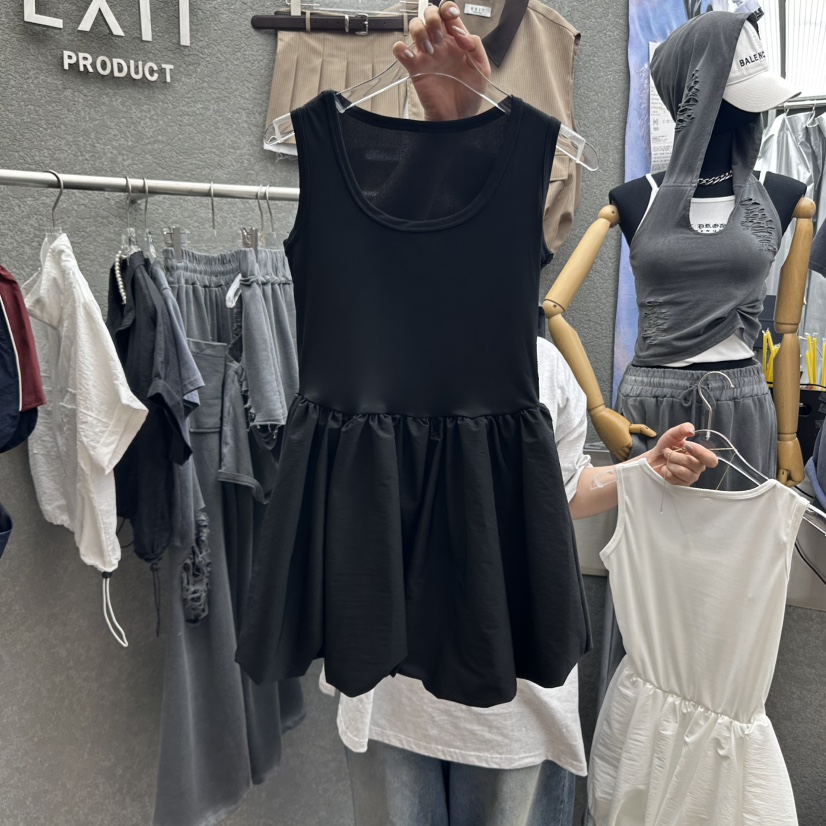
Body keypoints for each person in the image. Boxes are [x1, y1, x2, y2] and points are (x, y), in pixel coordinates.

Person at [318, 5, 719, 824]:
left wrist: (644, 471)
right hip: (391, 692)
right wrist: (453, 123)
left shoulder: (543, 371)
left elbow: (558, 494)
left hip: (514, 699)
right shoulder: (367, 355)